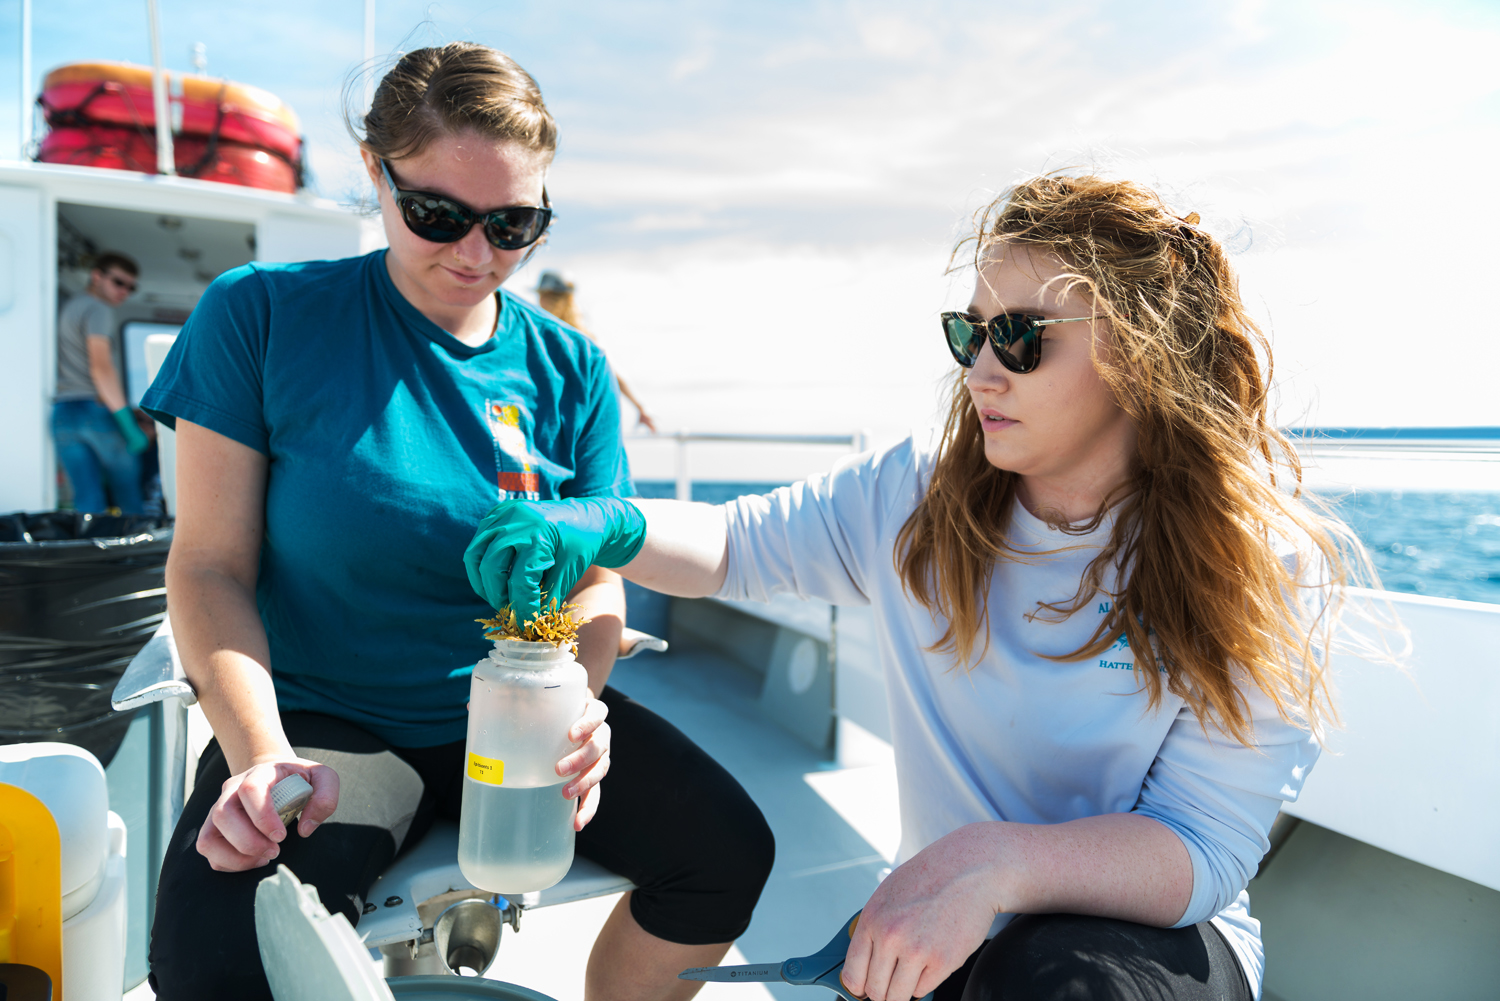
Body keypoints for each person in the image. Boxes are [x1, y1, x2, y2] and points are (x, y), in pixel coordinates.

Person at [466, 175, 1364, 1001]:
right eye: (970, 333)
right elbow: (738, 544)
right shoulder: (917, 496)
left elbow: (1205, 845)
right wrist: (608, 526)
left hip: (1146, 946)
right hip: (946, 920)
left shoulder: (1261, 561)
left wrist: (997, 864)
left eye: (1019, 338)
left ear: (1139, 355)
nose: (980, 370)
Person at [140, 43, 772, 1001]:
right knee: (215, 956)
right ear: (375, 173)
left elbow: (597, 577)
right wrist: (261, 756)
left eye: (514, 224)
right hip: (328, 718)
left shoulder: (572, 370)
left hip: (522, 713)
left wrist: (577, 703)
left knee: (727, 851)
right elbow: (209, 567)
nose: (477, 254)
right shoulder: (260, 317)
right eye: (437, 215)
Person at [53, 251, 150, 513]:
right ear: (97, 276)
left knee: (86, 499)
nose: (124, 292)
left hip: (63, 412)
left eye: (131, 287)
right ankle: (137, 541)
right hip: (93, 410)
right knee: (129, 496)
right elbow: (101, 368)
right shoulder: (98, 309)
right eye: (119, 283)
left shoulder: (70, 307)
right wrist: (128, 423)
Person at [537, 269, 659, 432]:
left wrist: (640, 406)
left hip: (574, 419)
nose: (542, 301)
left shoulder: (583, 339)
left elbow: (613, 371)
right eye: (542, 296)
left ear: (565, 299)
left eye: (549, 296)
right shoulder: (538, 333)